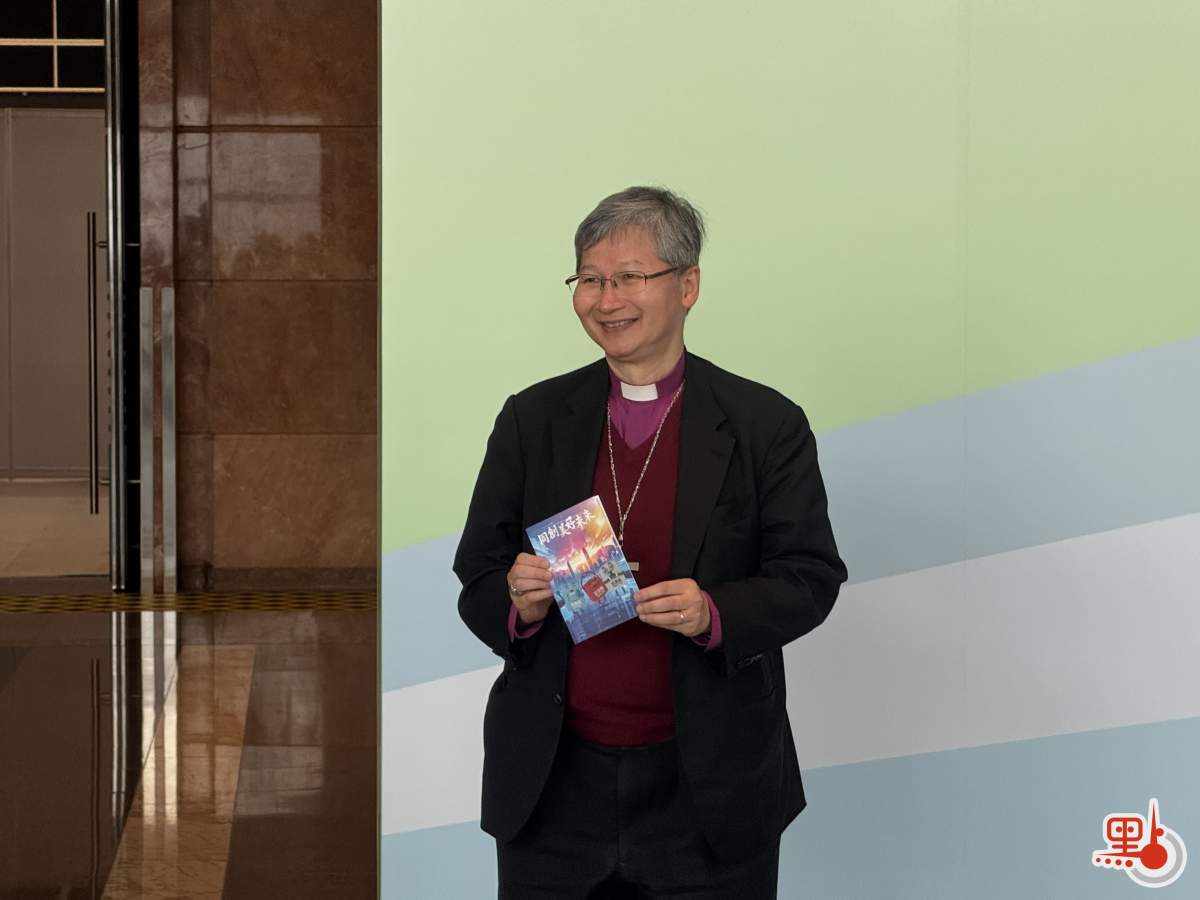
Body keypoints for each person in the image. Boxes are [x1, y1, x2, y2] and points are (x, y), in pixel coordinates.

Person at [455, 186, 847, 899]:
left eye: (629, 277)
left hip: (708, 787)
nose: (606, 300)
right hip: (552, 782)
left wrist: (712, 613)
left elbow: (810, 575)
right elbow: (478, 573)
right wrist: (520, 605)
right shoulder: (532, 419)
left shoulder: (764, 423)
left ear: (687, 285)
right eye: (590, 279)